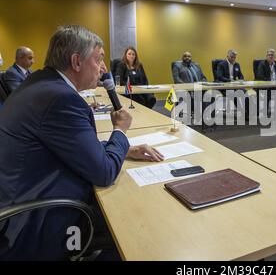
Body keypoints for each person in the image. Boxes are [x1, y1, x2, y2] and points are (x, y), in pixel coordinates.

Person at [0, 25, 163, 260]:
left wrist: (122, 149)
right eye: (98, 59)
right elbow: (104, 172)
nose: (104, 68)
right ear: (76, 61)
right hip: (36, 223)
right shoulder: (61, 99)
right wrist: (120, 132)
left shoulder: (40, 83)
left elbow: (72, 148)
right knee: (138, 225)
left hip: (21, 198)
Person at [255, 48, 276, 114]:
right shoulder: (262, 64)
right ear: (266, 56)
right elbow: (259, 76)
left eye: (272, 55)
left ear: (275, 57)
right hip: (266, 86)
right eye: (269, 55)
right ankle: (264, 110)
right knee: (269, 93)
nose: (271, 56)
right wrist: (271, 81)